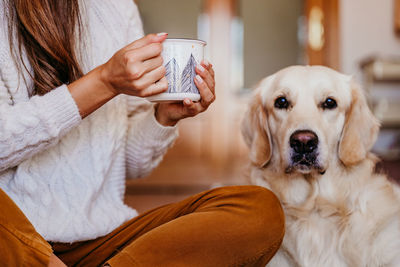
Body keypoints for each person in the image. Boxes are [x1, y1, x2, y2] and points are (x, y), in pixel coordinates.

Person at [0, 0, 285, 266]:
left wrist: (164, 117)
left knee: (260, 211)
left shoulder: (117, 7)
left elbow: (132, 165)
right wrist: (103, 82)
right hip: (14, 236)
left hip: (107, 240)